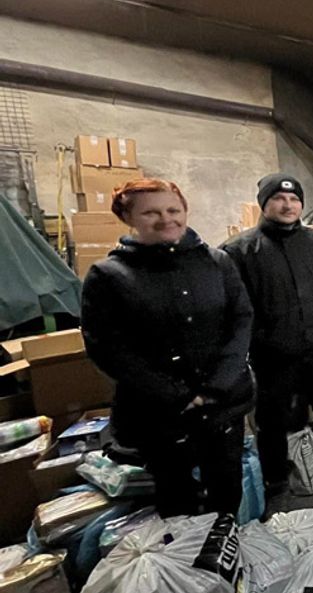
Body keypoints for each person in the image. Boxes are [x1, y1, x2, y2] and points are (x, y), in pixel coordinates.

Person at [82, 179, 253, 517]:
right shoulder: (109, 276)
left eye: (173, 210)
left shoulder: (217, 262)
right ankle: (183, 566)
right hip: (159, 414)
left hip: (223, 406)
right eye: (151, 213)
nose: (166, 219)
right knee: (176, 499)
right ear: (129, 217)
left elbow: (241, 320)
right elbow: (108, 349)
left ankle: (227, 554)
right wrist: (177, 395)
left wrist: (216, 385)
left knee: (227, 491)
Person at [222, 173, 313, 497]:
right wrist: (263, 340)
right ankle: (277, 484)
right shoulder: (239, 251)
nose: (288, 204)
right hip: (274, 359)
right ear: (264, 203)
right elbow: (235, 309)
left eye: (294, 199)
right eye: (279, 198)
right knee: (274, 423)